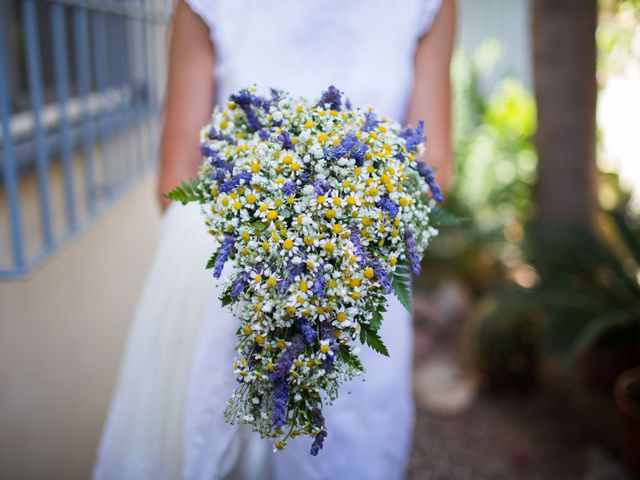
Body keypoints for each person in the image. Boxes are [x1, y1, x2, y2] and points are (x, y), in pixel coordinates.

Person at [93, 1, 455, 479]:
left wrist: (341, 235)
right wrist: (269, 237)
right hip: (236, 293)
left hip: (358, 284)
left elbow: (435, 165)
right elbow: (176, 180)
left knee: (350, 453)